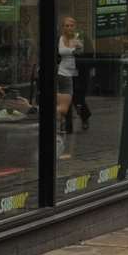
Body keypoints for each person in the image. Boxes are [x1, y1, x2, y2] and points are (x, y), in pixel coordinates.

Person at [56, 17, 83, 157]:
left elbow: (82, 52)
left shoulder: (80, 37)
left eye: (71, 25)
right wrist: (73, 49)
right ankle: (64, 138)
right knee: (65, 108)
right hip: (63, 75)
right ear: (63, 27)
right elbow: (60, 52)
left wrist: (75, 49)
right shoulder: (60, 38)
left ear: (75, 26)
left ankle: (67, 134)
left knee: (78, 102)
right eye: (66, 25)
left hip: (77, 75)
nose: (69, 28)